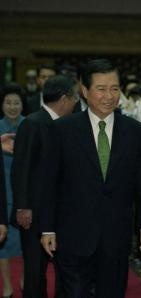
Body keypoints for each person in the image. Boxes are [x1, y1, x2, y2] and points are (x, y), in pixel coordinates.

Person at [39, 59, 141, 298]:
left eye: (114, 89)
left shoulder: (136, 132)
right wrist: (47, 228)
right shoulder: (61, 130)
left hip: (116, 235)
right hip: (72, 233)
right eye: (101, 89)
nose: (109, 96)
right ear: (84, 90)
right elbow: (48, 182)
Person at [12, 75, 79, 298]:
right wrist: (23, 206)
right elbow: (21, 168)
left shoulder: (69, 125)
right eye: (75, 97)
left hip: (62, 211)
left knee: (64, 269)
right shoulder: (33, 122)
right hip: (34, 212)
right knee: (35, 270)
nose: (76, 103)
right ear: (63, 99)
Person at [0, 83, 25, 298]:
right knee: (3, 241)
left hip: (25, 189)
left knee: (28, 239)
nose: (12, 107)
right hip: (2, 190)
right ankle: (7, 286)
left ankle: (26, 279)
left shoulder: (30, 125)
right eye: (8, 102)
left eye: (16, 102)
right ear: (2, 105)